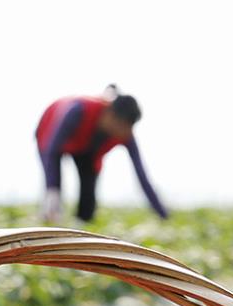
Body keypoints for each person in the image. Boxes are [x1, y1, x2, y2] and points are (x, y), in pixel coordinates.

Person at [36, 85, 168, 223]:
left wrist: (162, 214)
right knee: (53, 198)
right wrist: (52, 190)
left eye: (126, 128)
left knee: (88, 200)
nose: (121, 132)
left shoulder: (125, 134)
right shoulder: (78, 110)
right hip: (49, 135)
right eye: (119, 125)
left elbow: (141, 174)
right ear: (110, 114)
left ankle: (82, 229)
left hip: (87, 149)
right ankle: (50, 217)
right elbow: (52, 151)